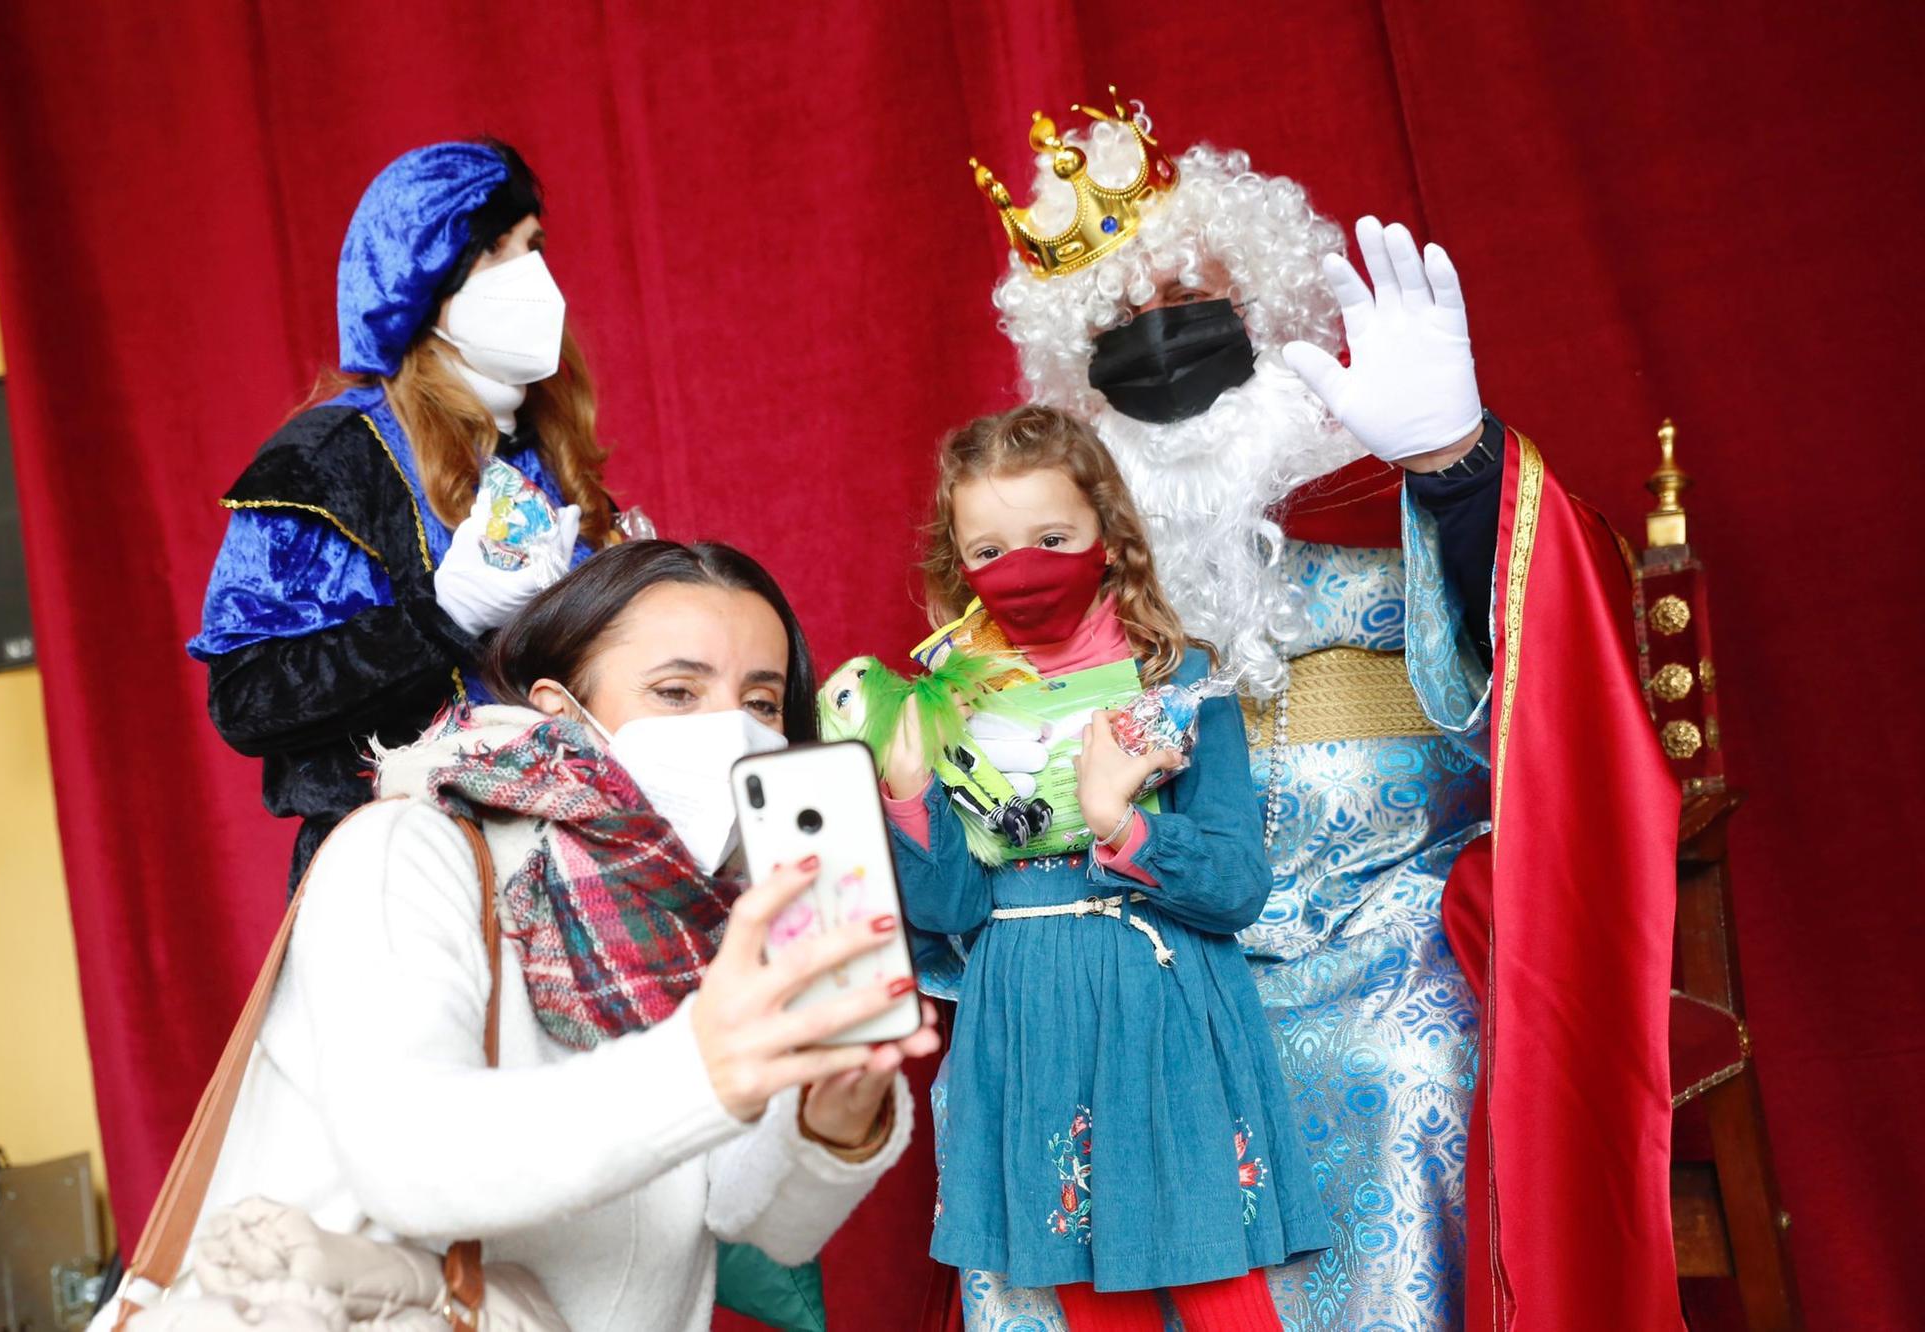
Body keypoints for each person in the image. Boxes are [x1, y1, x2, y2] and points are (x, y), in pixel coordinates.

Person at [957, 93, 1680, 1330]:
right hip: (1160, 935)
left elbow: (1553, 637)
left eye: (1186, 306)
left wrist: (1453, 464)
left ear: (1263, 305)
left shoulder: (1371, 467)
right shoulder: (1063, 543)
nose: (1160, 346)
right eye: (1118, 329)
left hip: (1391, 923)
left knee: (1400, 1081)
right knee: (1045, 1112)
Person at [117, 540, 937, 1332]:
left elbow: (746, 1216)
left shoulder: (708, 916)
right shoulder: (411, 851)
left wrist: (833, 1114)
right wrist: (705, 1066)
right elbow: (413, 1162)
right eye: (678, 692)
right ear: (561, 711)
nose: (732, 729)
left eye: (760, 701)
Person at [881, 406, 1328, 1330]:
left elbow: (1239, 887)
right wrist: (910, 795)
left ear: (1107, 538)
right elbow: (948, 911)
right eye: (990, 550)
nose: (1024, 569)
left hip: (1157, 998)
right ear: (956, 566)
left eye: (1052, 538)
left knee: (1213, 1273)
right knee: (1084, 1286)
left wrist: (1118, 823)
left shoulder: (1179, 680)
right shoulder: (944, 701)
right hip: (1025, 1004)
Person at [189, 138, 619, 886]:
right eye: (494, 250)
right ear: (421, 278)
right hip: (403, 877)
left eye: (534, 245)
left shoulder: (543, 456)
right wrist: (440, 615)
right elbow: (249, 697)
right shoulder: (330, 459)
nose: (531, 274)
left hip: (568, 863)